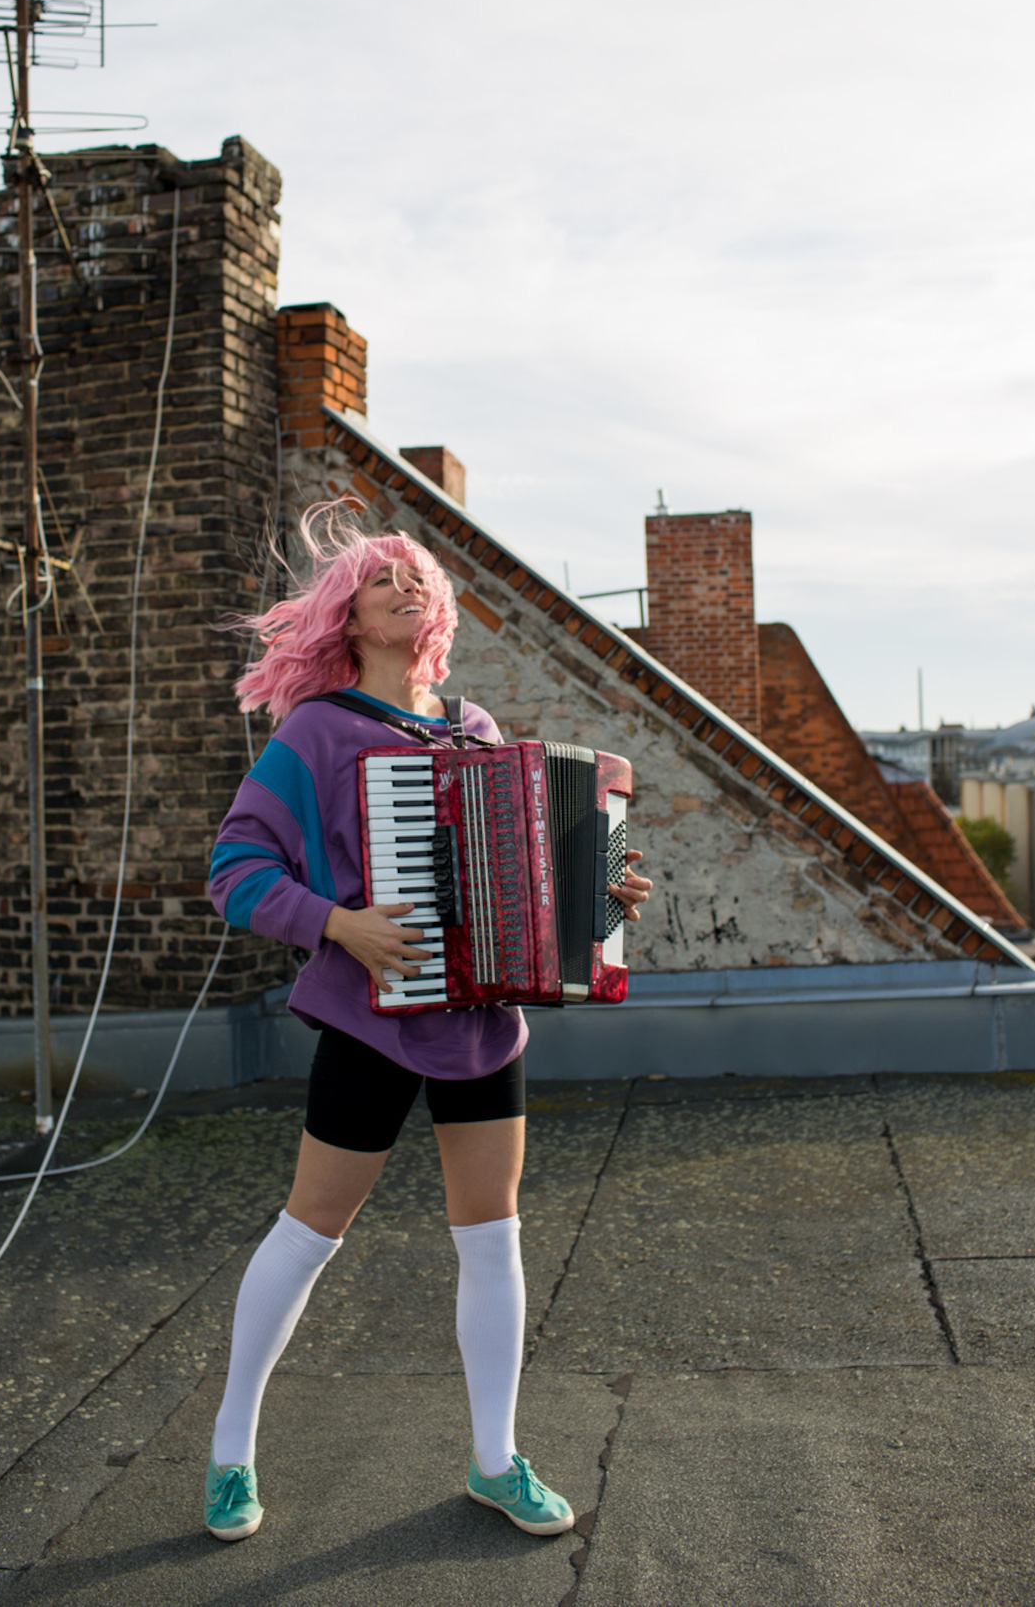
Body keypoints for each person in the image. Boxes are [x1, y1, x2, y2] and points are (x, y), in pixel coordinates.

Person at [204, 503, 652, 1542]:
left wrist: (596, 902)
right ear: (346, 620)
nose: (409, 591)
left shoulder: (477, 732)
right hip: (371, 1019)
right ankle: (231, 1449)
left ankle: (495, 1458)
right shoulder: (316, 733)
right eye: (381, 583)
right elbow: (234, 870)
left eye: (419, 582)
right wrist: (338, 923)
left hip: (480, 1024)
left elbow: (528, 884)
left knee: (492, 1240)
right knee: (308, 1235)